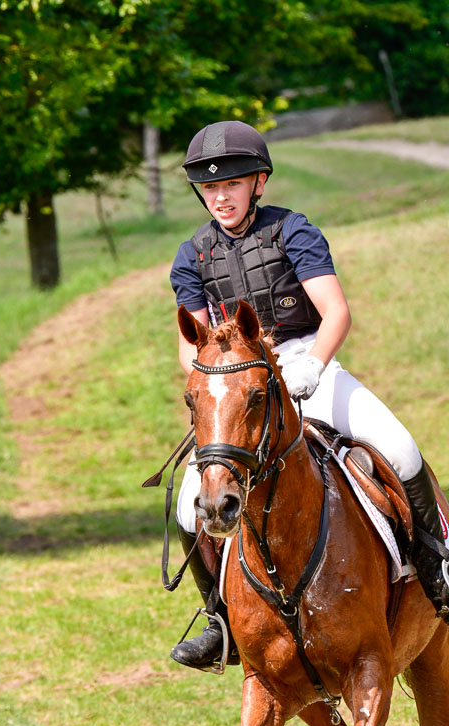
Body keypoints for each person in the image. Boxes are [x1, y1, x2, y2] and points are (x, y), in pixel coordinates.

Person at [169, 120, 449, 670]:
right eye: (210, 187)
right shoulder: (192, 256)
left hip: (305, 362)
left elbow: (336, 312)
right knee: (187, 506)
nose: (219, 196)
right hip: (241, 381)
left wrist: (314, 367)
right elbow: (191, 343)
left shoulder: (292, 231)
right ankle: (219, 620)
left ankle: (438, 572)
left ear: (259, 183)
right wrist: (210, 376)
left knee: (400, 447)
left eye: (231, 184)